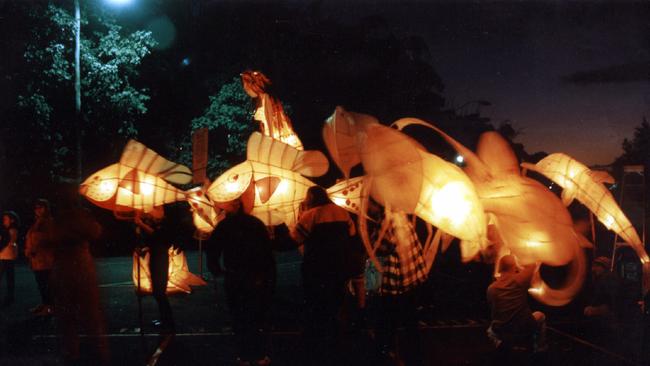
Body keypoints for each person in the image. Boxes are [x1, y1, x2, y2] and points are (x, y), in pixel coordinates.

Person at [205, 198, 275, 366]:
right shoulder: (256, 223)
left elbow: (212, 248)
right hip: (255, 277)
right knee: (256, 316)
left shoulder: (225, 225)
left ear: (235, 206)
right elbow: (267, 253)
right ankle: (258, 355)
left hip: (234, 276)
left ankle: (243, 356)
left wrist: (216, 269)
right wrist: (269, 277)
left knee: (238, 317)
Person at [291, 185, 356, 364]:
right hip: (339, 267)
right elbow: (352, 233)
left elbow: (295, 238)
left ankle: (317, 346)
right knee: (335, 302)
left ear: (312, 197)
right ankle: (337, 341)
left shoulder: (311, 215)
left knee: (316, 305)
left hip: (317, 268)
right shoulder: (342, 212)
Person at [51, 207, 109, 364]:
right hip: (71, 268)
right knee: (79, 314)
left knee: (83, 314)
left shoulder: (70, 218)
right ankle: (87, 350)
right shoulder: (69, 218)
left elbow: (95, 231)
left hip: (75, 268)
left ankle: (89, 351)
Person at [486, 254, 546, 352]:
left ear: (500, 268)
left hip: (501, 329)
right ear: (514, 267)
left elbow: (493, 309)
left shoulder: (491, 288)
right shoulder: (519, 280)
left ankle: (501, 345)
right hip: (522, 326)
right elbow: (532, 265)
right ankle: (540, 348)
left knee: (490, 331)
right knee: (541, 316)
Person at [134, 206, 175, 336]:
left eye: (157, 209)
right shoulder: (155, 225)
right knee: (158, 291)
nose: (152, 211)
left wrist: (141, 224)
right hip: (155, 257)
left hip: (160, 259)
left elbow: (159, 238)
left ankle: (168, 323)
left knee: (159, 292)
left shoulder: (165, 225)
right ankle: (165, 320)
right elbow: (152, 241)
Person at [25, 199, 55, 316]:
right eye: (36, 207)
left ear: (46, 209)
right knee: (41, 283)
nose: (38, 210)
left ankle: (50, 307)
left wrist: (34, 249)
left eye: (40, 207)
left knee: (46, 283)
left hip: (45, 259)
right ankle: (45, 304)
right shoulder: (37, 222)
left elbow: (45, 239)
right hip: (37, 259)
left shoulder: (48, 222)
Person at [583, 256, 621, 332]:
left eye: (596, 266)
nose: (593, 269)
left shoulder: (608, 279)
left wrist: (595, 310)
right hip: (604, 318)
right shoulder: (600, 279)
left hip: (607, 320)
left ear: (603, 267)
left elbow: (611, 301)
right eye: (593, 266)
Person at [0, 211, 20, 306]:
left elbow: (6, 242)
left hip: (7, 256)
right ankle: (10, 296)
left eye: (6, 218)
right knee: (9, 277)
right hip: (6, 255)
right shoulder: (8, 230)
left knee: (9, 277)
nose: (4, 220)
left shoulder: (11, 230)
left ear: (12, 220)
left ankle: (10, 297)